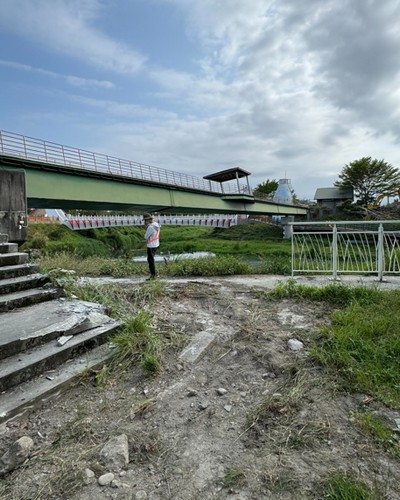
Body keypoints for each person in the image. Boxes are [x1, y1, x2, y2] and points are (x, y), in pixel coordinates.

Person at [143, 213, 160, 279]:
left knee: (150, 260)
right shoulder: (156, 224)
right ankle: (155, 273)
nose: (145, 222)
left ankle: (153, 275)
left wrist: (146, 229)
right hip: (156, 244)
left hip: (151, 245)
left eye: (145, 220)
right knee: (151, 259)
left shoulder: (150, 227)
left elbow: (145, 237)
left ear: (147, 220)